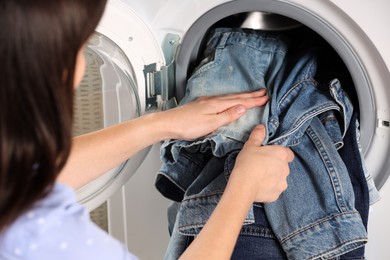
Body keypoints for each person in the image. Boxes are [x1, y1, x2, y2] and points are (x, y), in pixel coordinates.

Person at [0, 0, 294, 259]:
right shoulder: (39, 238)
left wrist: (160, 124)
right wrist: (242, 189)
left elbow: (27, 174)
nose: (83, 65)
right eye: (80, 45)